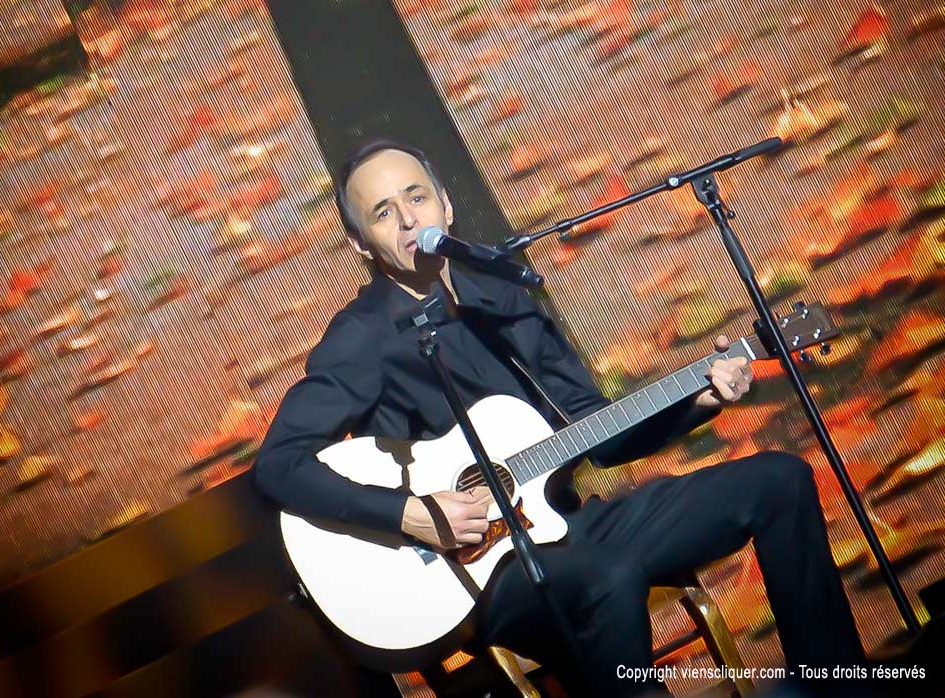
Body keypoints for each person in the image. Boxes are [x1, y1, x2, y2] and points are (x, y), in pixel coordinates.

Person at [253, 139, 865, 695]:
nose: (410, 218)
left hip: (564, 526)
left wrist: (700, 397)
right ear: (363, 243)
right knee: (610, 575)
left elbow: (595, 429)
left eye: (417, 197)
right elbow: (280, 464)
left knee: (780, 481)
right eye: (384, 211)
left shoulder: (504, 300)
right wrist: (410, 513)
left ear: (446, 206)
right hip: (482, 575)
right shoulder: (362, 337)